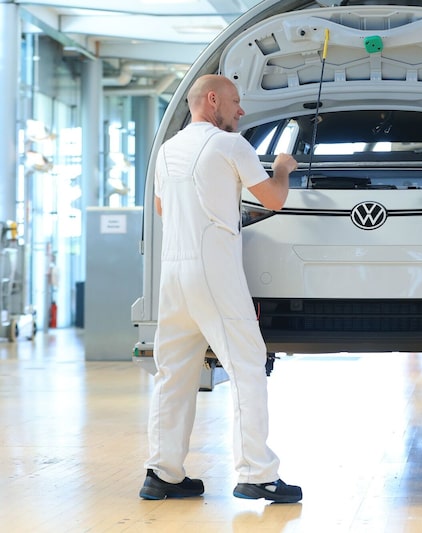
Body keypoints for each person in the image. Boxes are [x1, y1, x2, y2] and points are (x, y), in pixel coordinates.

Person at [139, 74, 302, 503]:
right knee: (247, 365)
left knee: (174, 373)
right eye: (235, 101)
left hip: (173, 274)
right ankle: (257, 473)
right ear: (212, 100)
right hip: (213, 272)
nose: (241, 110)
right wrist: (282, 168)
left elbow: (162, 207)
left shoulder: (167, 150)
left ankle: (163, 473)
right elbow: (274, 199)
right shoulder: (230, 145)